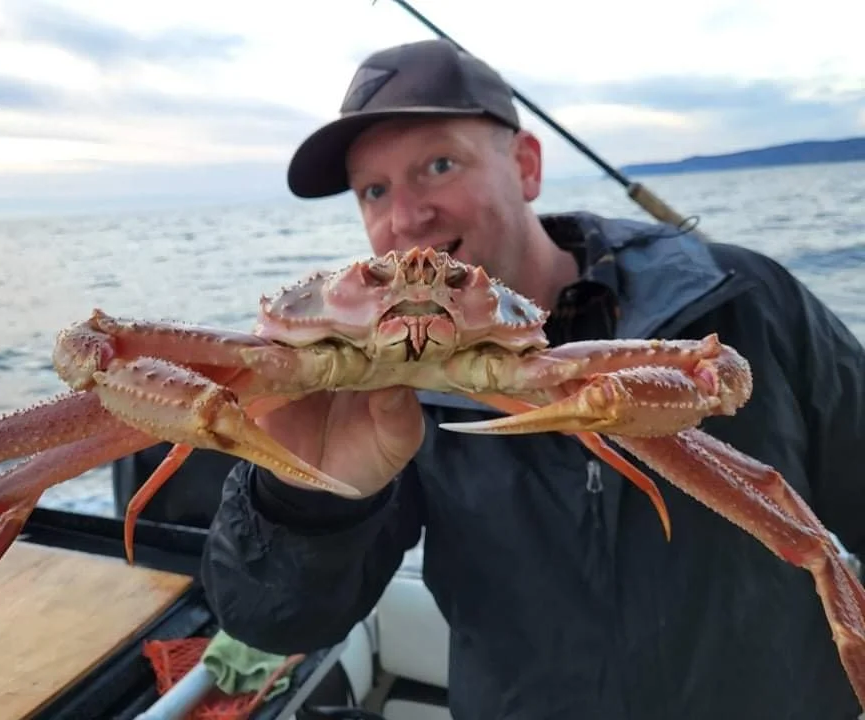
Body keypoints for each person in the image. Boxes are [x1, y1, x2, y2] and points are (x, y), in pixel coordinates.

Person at [200, 39, 865, 719]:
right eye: (374, 190)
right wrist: (303, 495)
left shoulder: (739, 302)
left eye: (438, 164)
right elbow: (272, 621)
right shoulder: (375, 391)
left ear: (525, 165)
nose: (406, 219)